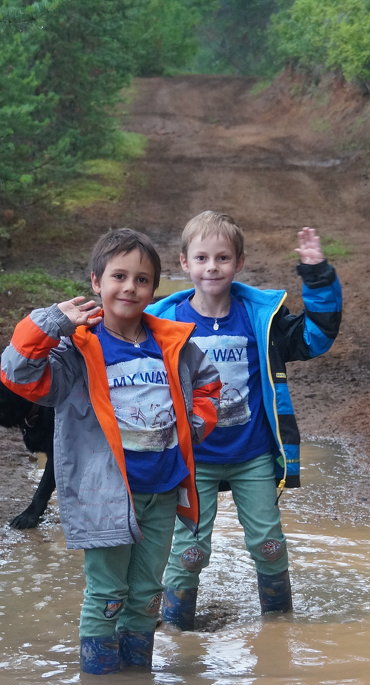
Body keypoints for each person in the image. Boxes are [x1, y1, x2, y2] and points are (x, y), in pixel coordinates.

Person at [0, 228, 221, 674]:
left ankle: (136, 684)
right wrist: (50, 322)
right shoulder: (77, 348)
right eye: (119, 276)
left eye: (142, 279)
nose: (130, 287)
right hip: (104, 494)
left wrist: (192, 428)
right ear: (96, 282)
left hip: (161, 491)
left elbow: (210, 385)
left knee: (146, 594)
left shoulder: (172, 343)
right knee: (107, 594)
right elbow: (18, 373)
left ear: (153, 289)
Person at [146, 210, 342, 629]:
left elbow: (316, 337)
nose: (211, 267)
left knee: (269, 544)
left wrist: (317, 276)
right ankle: (177, 630)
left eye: (222, 258)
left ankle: (279, 628)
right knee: (189, 550)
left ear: (239, 262)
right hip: (193, 459)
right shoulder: (164, 323)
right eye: (201, 258)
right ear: (184, 263)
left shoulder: (261, 319)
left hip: (252, 454)